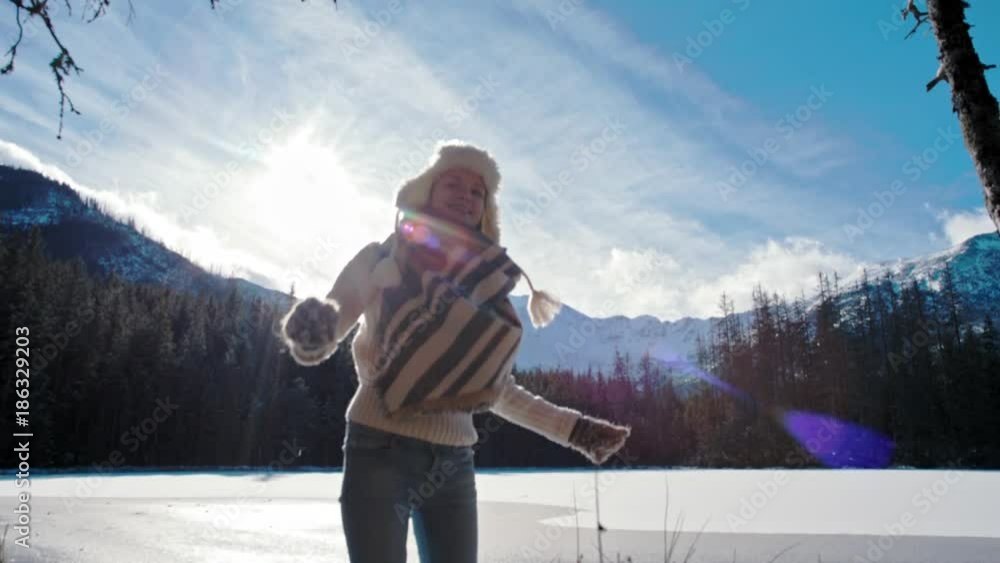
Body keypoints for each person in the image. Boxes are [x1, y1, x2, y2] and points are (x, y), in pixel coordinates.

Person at [280, 140, 631, 563]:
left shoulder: (486, 291)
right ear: (427, 189)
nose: (466, 195)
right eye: (453, 183)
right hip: (378, 450)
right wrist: (314, 331)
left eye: (477, 191)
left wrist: (575, 430)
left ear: (487, 208)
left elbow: (496, 390)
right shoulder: (382, 257)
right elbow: (337, 315)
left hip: (453, 466)